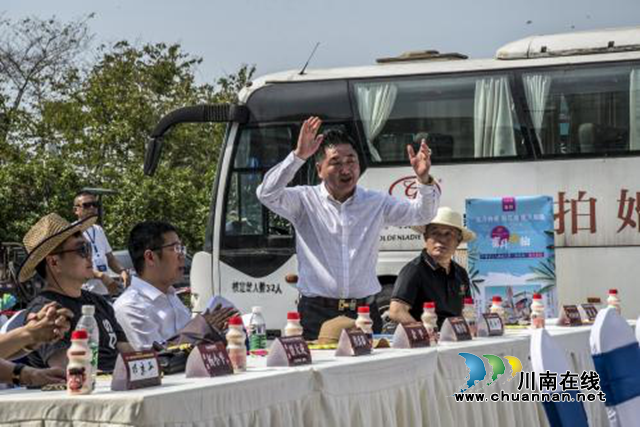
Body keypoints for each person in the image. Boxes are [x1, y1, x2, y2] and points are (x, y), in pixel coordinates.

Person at [257, 117, 440, 340]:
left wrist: (423, 179)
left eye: (351, 161)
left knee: (368, 373)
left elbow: (422, 214)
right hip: (317, 312)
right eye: (336, 162)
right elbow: (266, 193)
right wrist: (298, 157)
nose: (346, 169)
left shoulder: (375, 202)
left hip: (363, 312)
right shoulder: (304, 201)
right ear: (320, 169)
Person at [18, 213, 134, 372]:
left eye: (90, 248)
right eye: (82, 249)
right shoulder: (46, 312)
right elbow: (73, 371)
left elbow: (129, 354)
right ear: (54, 262)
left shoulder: (99, 302)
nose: (90, 256)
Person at [114, 221, 236, 350]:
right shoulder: (131, 307)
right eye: (175, 248)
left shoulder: (171, 296)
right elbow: (157, 359)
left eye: (182, 248)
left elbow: (190, 343)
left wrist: (215, 331)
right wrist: (202, 328)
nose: (182, 255)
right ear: (150, 257)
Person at [389, 207, 475, 328]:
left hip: (455, 339)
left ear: (458, 241)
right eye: (435, 233)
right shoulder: (414, 270)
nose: (441, 239)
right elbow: (397, 311)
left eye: (448, 234)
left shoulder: (460, 273)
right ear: (425, 237)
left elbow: (465, 310)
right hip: (429, 341)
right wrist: (425, 333)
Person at [73, 191, 128, 296]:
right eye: (87, 205)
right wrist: (101, 276)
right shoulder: (71, 232)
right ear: (76, 210)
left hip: (103, 292)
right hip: (84, 293)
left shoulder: (98, 230)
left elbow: (110, 258)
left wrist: (122, 271)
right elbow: (74, 265)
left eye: (95, 205)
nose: (92, 208)